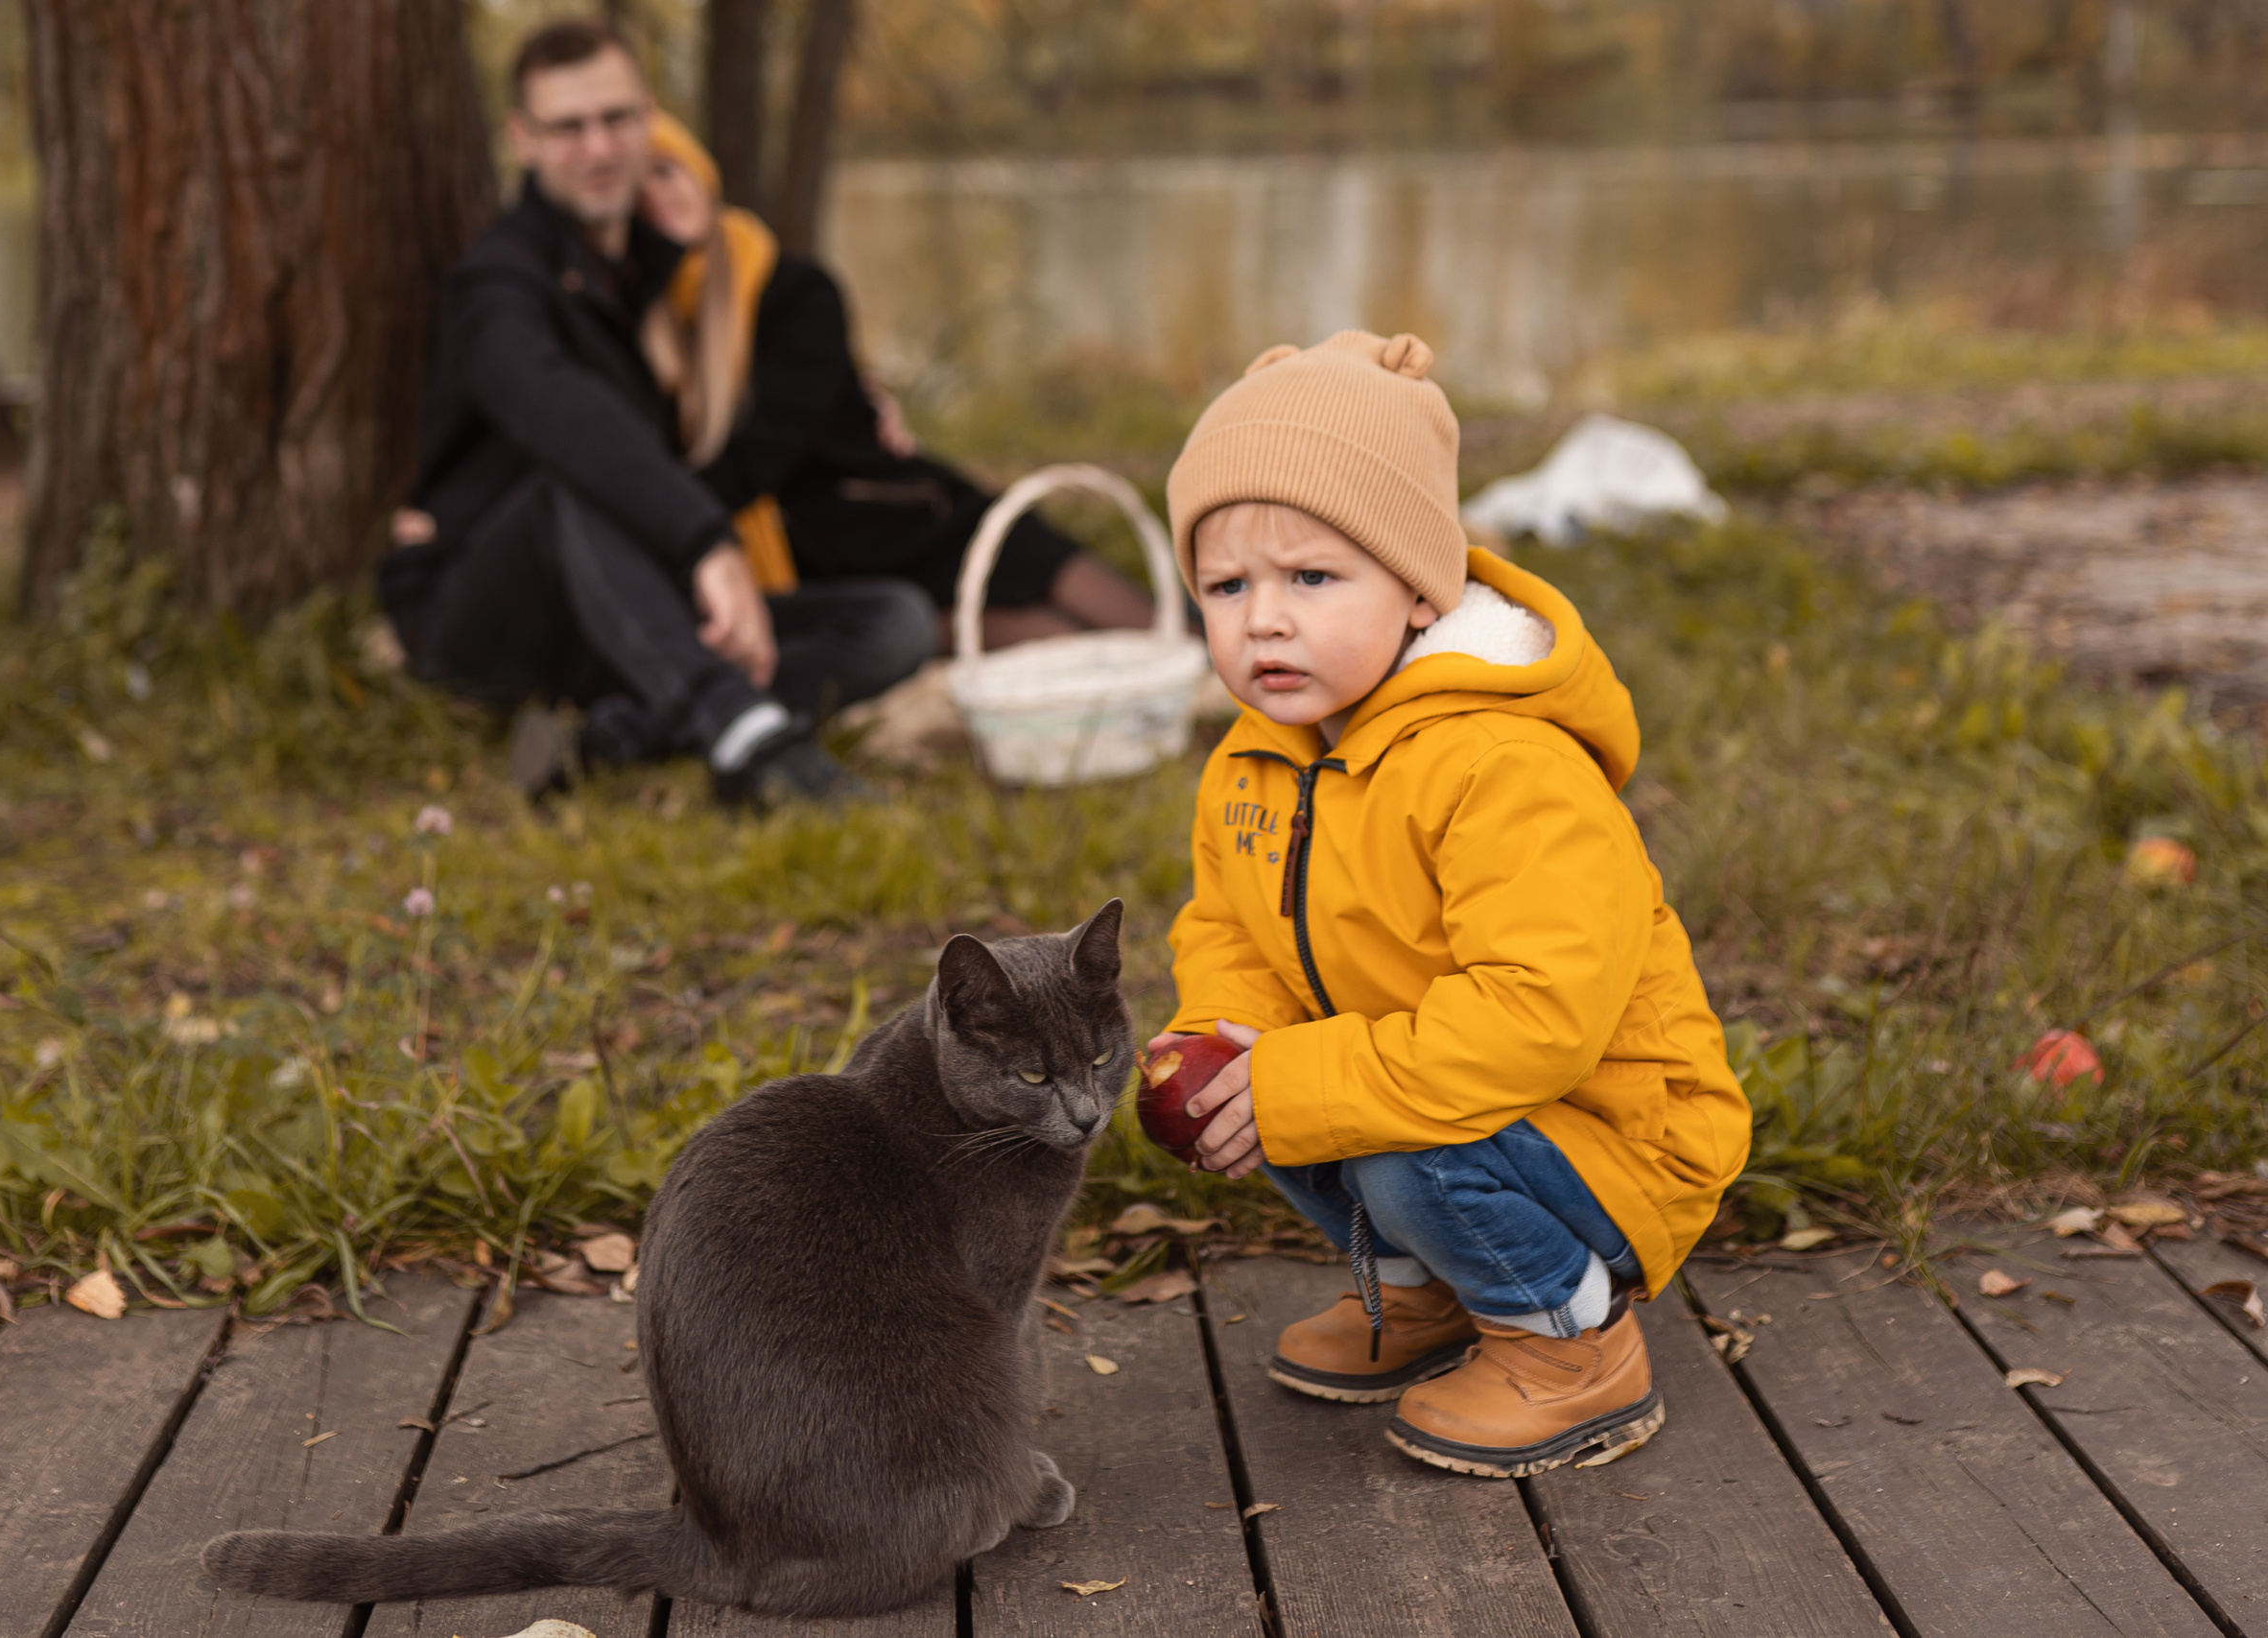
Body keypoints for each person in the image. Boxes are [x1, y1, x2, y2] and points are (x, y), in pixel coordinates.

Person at [1149, 331, 1750, 1478]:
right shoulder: (1255, 760)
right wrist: (1222, 1045)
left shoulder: (1503, 765)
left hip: (1615, 1134)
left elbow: (1536, 1018)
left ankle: (1572, 1343)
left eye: (1311, 579)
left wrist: (1304, 1084)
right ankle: (1433, 1291)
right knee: (1269, 1087)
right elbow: (1230, 929)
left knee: (1376, 1139)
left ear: (1420, 589)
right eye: (1226, 587)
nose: (1262, 619)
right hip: (1452, 1093)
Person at [378, 20, 933, 805]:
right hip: (489, 615)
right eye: (568, 128)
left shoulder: (652, 272)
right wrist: (707, 542)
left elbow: (756, 376)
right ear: (523, 140)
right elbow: (562, 413)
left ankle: (623, 735)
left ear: (648, 120)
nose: (599, 147)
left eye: (616, 119)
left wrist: (861, 406)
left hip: (633, 604)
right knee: (571, 484)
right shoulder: (498, 284)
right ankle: (746, 737)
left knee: (893, 621)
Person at [631, 112, 1158, 651]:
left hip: (896, 508)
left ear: (700, 174)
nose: (655, 196)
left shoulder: (793, 292)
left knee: (1103, 601)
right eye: (636, 185)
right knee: (1037, 640)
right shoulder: (636, 320)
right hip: (823, 559)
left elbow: (766, 448)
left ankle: (1196, 655)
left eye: (666, 171)